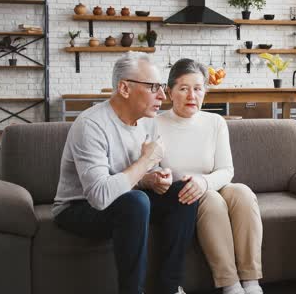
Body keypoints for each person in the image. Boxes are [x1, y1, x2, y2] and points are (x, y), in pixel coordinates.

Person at [53, 53, 198, 294]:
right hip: (78, 207)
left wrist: (153, 179)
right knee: (135, 201)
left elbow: (134, 176)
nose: (163, 95)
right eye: (153, 87)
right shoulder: (91, 125)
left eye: (161, 87)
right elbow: (99, 196)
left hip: (125, 200)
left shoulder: (147, 121)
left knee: (183, 193)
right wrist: (146, 161)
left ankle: (169, 288)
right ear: (124, 88)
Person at [156, 58, 264, 294]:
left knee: (243, 192)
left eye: (197, 89)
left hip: (212, 183)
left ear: (205, 91)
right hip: (184, 194)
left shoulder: (215, 122)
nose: (191, 96)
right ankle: (230, 283)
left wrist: (204, 182)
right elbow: (153, 171)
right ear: (169, 92)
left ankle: (251, 281)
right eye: (183, 89)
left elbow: (227, 170)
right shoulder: (155, 124)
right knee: (212, 200)